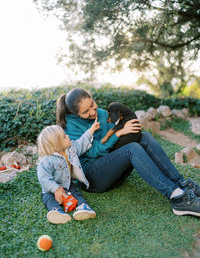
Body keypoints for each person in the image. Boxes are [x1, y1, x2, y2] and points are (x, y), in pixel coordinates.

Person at [56, 88, 200, 217]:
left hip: (112, 169)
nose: (93, 112)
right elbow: (93, 153)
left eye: (92, 105)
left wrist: (130, 128)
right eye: (85, 112)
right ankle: (177, 198)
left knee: (145, 137)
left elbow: (114, 138)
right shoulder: (69, 126)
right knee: (132, 149)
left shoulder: (101, 114)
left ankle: (184, 184)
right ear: (74, 114)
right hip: (92, 177)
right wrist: (119, 134)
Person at [37, 120, 99, 224]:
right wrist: (56, 189)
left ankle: (83, 207)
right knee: (48, 198)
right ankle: (56, 211)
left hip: (67, 184)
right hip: (51, 189)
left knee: (76, 194)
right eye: (64, 137)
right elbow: (44, 179)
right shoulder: (46, 161)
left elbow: (81, 143)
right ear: (56, 145)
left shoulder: (71, 148)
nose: (68, 136)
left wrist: (92, 130)